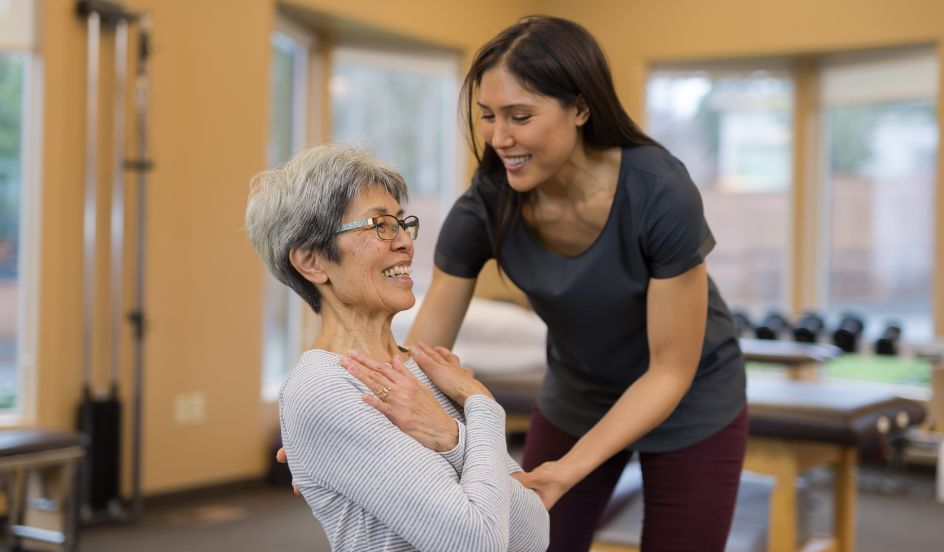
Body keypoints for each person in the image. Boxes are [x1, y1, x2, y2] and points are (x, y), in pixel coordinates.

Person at [404, 15, 749, 551]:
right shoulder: (486, 206)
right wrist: (344, 417)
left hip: (692, 400)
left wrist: (570, 469)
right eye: (488, 116)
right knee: (529, 544)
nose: (499, 138)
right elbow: (422, 353)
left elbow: (669, 372)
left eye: (520, 116)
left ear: (581, 109)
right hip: (578, 396)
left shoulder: (660, 193)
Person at [245, 144, 549, 552]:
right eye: (379, 225)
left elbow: (533, 534)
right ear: (312, 262)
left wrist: (452, 438)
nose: (405, 241)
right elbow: (477, 543)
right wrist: (482, 407)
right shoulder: (322, 391)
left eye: (402, 223)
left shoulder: (431, 370)